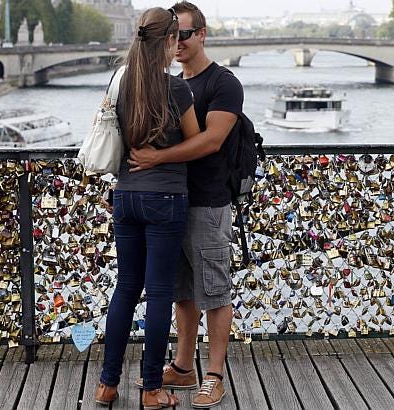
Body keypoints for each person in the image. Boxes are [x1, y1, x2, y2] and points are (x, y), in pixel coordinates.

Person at [128, 2, 243, 408]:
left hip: (208, 202)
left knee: (214, 290)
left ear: (203, 34)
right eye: (174, 36)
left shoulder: (223, 84)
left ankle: (214, 375)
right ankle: (182, 365)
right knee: (181, 291)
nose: (178, 42)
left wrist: (156, 158)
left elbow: (211, 141)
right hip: (171, 202)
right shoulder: (172, 83)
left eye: (186, 34)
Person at [93, 7, 200, 409]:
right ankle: (153, 389)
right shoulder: (176, 89)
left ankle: (106, 385)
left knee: (124, 288)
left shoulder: (121, 81)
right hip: (166, 199)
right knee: (158, 294)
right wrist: (165, 154)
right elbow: (195, 142)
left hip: (125, 195)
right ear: (170, 42)